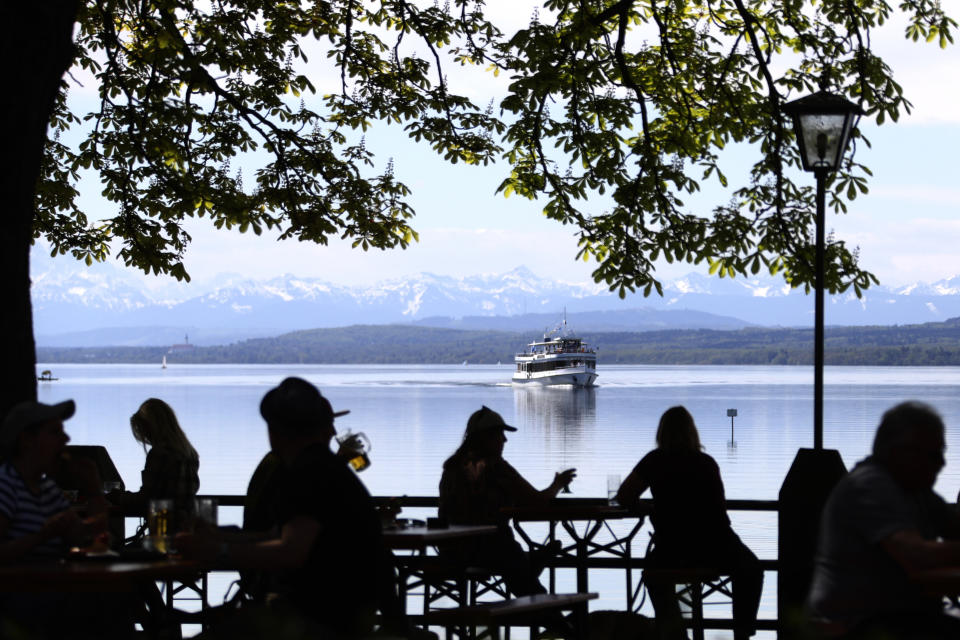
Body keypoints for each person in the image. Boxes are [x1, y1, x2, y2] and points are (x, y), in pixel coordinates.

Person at [176, 377, 398, 639]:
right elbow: (280, 534)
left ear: (275, 431)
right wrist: (221, 536)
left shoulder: (307, 472)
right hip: (350, 614)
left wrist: (218, 550)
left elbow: (290, 551)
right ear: (324, 429)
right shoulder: (324, 467)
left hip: (320, 619)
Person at [806, 401, 960, 639]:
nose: (942, 463)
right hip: (854, 625)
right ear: (900, 451)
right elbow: (917, 555)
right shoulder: (870, 486)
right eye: (934, 454)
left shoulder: (916, 491)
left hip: (895, 618)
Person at [616, 406, 762, 640]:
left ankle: (676, 634)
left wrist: (649, 508)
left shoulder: (654, 461)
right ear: (692, 432)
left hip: (673, 547)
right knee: (752, 570)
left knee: (654, 576)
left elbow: (624, 496)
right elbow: (719, 511)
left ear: (661, 433)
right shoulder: (706, 463)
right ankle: (742, 632)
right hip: (716, 543)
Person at [0, 400, 134, 638]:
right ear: (27, 441)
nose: (65, 440)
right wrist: (43, 536)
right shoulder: (6, 484)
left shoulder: (46, 489)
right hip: (20, 597)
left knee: (119, 597)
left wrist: (93, 491)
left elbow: (92, 540)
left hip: (55, 591)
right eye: (55, 433)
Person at [438, 405, 576, 597]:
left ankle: (531, 567)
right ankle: (553, 617)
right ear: (485, 438)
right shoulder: (496, 468)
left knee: (519, 567)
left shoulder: (451, 467)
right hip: (490, 550)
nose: (504, 440)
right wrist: (558, 485)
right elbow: (536, 501)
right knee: (522, 576)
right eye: (499, 435)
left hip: (450, 552)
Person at [110, 398, 200, 514]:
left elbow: (147, 498)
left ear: (149, 427)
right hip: (188, 523)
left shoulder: (159, 454)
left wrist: (119, 497)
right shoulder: (189, 453)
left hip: (163, 523)